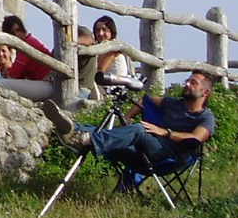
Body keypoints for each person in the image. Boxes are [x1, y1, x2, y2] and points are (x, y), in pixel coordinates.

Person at [45, 69, 215, 175]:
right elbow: (146, 100)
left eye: (193, 83)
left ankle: (82, 138)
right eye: (188, 80)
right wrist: (127, 117)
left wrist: (166, 132)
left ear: (205, 92)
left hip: (169, 157)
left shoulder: (205, 117)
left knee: (140, 130)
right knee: (112, 132)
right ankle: (73, 129)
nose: (187, 84)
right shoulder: (173, 103)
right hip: (144, 153)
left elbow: (196, 138)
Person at [0, 14, 55, 100]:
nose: (17, 35)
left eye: (18, 30)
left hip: (49, 85)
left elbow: (13, 75)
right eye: (13, 33)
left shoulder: (26, 45)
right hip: (48, 84)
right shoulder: (28, 42)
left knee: (1, 84)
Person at [91, 15, 134, 84]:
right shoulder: (101, 49)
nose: (100, 33)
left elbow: (100, 71)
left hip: (114, 88)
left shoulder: (112, 48)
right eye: (97, 30)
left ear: (111, 31)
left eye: (104, 30)